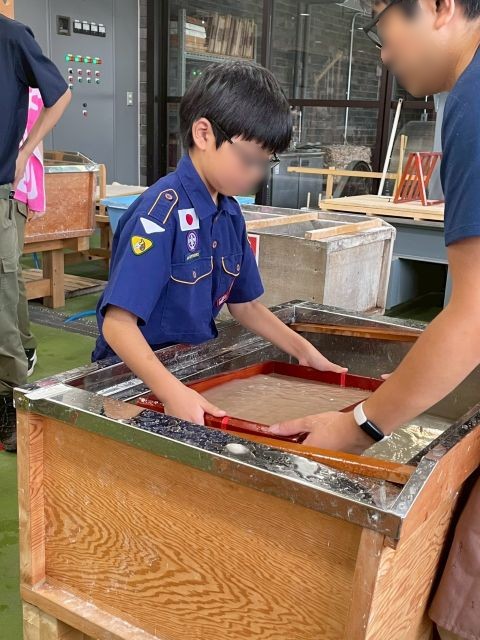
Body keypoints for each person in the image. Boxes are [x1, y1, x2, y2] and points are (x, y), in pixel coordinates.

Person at [268, 1, 480, 638]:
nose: (383, 55)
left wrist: (361, 424)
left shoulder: (472, 102)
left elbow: (472, 316)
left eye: (384, 33)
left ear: (439, 8)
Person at [92, 60, 347, 425]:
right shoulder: (159, 216)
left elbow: (246, 305)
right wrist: (171, 393)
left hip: (188, 370)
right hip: (133, 380)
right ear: (203, 134)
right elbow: (118, 325)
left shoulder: (229, 213)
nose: (257, 174)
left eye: (265, 163)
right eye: (249, 160)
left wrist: (304, 352)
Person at [0, 14, 71, 452]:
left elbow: (59, 95)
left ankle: (9, 402)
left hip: (2, 191)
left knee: (3, 293)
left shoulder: (10, 37)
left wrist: (25, 152)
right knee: (8, 286)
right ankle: (24, 347)